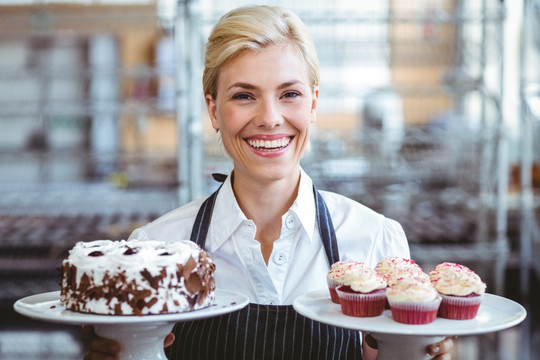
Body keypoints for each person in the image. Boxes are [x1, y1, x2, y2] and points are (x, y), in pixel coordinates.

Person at [84, 5, 454, 360]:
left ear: (313, 104)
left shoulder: (374, 241)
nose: (270, 118)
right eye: (244, 96)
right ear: (213, 111)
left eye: (289, 94)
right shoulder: (155, 250)